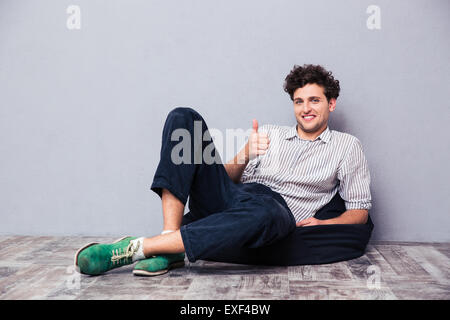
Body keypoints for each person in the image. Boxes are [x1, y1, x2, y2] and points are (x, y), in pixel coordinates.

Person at [75, 64, 373, 277]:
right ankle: (169, 242)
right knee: (184, 118)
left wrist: (324, 224)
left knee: (265, 212)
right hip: (237, 196)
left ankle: (138, 248)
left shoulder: (347, 146)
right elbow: (227, 181)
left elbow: (359, 210)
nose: (305, 108)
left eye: (314, 100)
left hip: (276, 211)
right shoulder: (269, 133)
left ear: (331, 104)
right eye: (299, 101)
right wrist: (245, 152)